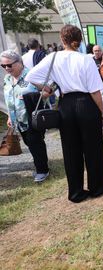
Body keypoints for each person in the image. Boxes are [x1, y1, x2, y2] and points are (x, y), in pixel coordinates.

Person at [25, 25, 103, 203]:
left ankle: (76, 192)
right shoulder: (86, 59)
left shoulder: (52, 57)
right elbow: (95, 91)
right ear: (79, 40)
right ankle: (96, 188)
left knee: (70, 150)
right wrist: (102, 112)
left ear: (62, 40)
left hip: (66, 104)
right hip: (86, 103)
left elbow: (30, 76)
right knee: (93, 148)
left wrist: (47, 87)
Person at [1, 50, 50, 182]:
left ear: (19, 62)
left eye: (9, 65)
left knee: (36, 143)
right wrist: (10, 117)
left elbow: (49, 90)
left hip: (32, 117)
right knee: (29, 143)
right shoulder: (7, 79)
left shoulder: (31, 75)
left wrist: (35, 96)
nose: (6, 68)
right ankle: (41, 165)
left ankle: (42, 170)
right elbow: (8, 99)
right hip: (18, 119)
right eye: (3, 66)